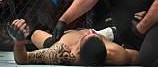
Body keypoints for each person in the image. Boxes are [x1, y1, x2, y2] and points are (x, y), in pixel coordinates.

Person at [8, 18, 138, 65]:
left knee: (35, 34)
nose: (90, 32)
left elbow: (23, 59)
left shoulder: (61, 51)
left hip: (65, 38)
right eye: (92, 34)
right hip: (106, 34)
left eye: (89, 35)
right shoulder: (115, 54)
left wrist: (19, 41)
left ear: (78, 49)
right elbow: (138, 56)